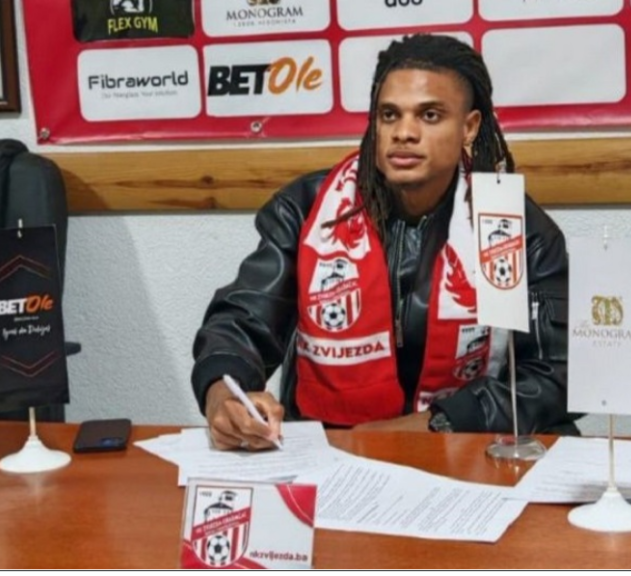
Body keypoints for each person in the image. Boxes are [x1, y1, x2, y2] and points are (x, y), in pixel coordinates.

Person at [192, 34, 576, 451]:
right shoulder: (307, 208)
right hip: (332, 450)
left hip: (463, 452)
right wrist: (223, 394)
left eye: (430, 115)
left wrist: (438, 424)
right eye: (389, 115)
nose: (404, 133)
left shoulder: (515, 227)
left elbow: (556, 372)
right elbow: (243, 320)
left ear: (469, 127)